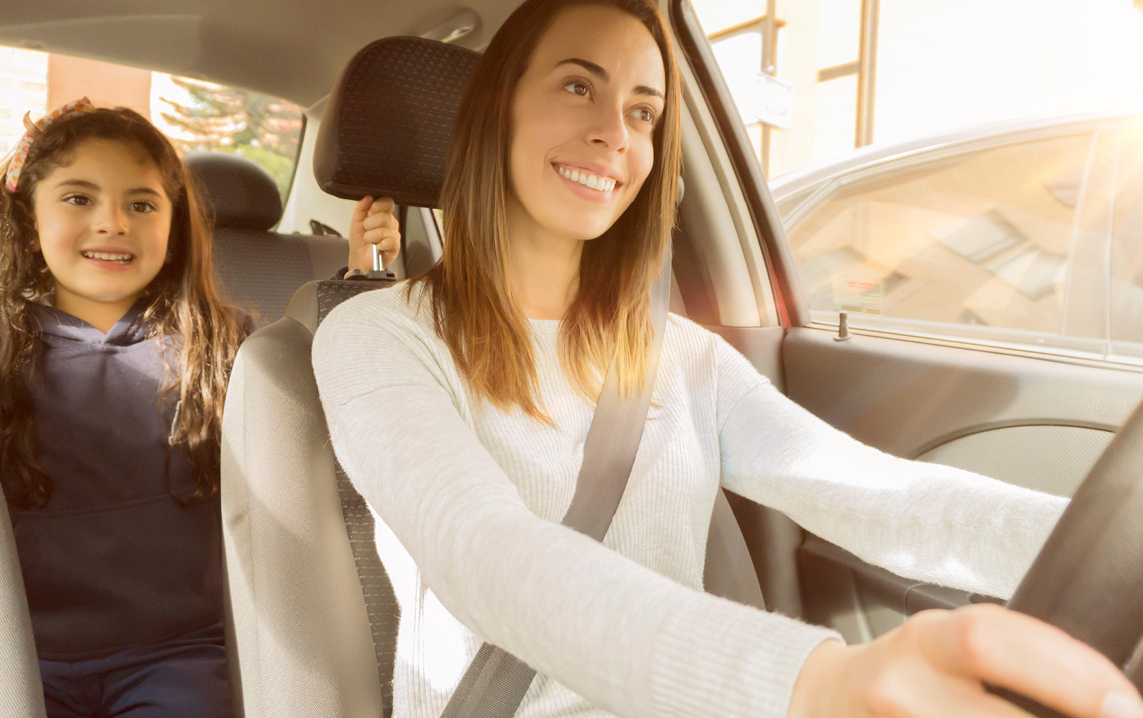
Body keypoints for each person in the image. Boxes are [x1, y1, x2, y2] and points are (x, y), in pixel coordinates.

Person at [310, 1, 1143, 717]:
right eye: (578, 87)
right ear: (496, 110)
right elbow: (485, 553)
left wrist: (1113, 555)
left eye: (644, 113)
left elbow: (878, 495)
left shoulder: (682, 356)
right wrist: (816, 681)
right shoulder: (377, 338)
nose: (614, 133)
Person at [0, 101, 398, 717]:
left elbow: (327, 389)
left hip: (178, 653)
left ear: (173, 227)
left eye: (141, 205)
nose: (112, 222)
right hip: (13, 651)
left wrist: (360, 276)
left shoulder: (226, 343)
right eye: (78, 198)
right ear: (29, 223)